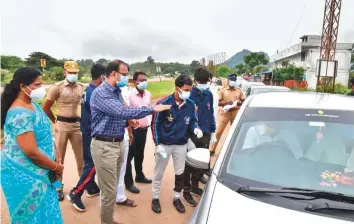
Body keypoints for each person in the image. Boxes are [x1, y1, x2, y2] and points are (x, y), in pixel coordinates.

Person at [89, 60, 171, 224]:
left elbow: (118, 114)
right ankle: (107, 221)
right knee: (109, 191)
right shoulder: (101, 93)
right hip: (105, 145)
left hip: (117, 141)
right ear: (113, 74)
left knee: (115, 183)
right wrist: (152, 108)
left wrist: (128, 122)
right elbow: (120, 110)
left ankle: (109, 219)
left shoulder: (116, 91)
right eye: (125, 74)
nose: (127, 78)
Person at [0, 67, 64, 223]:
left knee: (47, 212)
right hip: (24, 175)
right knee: (32, 216)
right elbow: (31, 152)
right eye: (37, 85)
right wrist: (56, 167)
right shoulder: (19, 113)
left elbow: (46, 135)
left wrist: (56, 156)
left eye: (41, 84)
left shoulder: (32, 105)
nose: (40, 89)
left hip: (42, 169)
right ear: (23, 86)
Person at [151, 74, 203, 214]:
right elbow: (155, 124)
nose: (188, 92)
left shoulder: (191, 105)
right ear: (177, 88)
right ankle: (155, 198)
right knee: (158, 172)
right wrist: (157, 143)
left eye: (190, 90)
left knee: (180, 173)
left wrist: (195, 129)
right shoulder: (164, 103)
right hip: (164, 145)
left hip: (181, 144)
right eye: (186, 89)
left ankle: (176, 197)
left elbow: (193, 121)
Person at [43, 61, 84, 201]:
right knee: (59, 158)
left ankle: (84, 184)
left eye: (75, 72)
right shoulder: (57, 87)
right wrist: (54, 121)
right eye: (70, 72)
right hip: (61, 124)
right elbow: (46, 107)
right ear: (65, 72)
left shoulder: (81, 87)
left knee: (81, 157)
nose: (73, 75)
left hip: (77, 125)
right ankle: (58, 187)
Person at [66, 64, 105, 212]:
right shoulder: (96, 93)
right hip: (92, 133)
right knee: (93, 163)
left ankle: (91, 187)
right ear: (102, 77)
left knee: (90, 162)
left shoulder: (88, 90)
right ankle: (76, 193)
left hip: (87, 131)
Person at [183, 68, 216, 207]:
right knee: (189, 164)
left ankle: (195, 186)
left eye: (207, 82)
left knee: (201, 163)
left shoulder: (209, 94)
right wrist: (188, 136)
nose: (205, 84)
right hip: (193, 134)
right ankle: (186, 191)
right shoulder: (189, 95)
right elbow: (186, 117)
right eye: (202, 82)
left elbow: (211, 112)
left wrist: (213, 131)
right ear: (196, 81)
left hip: (206, 133)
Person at [124, 71, 153, 194]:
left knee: (140, 154)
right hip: (133, 130)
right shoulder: (129, 95)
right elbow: (125, 113)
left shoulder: (148, 94)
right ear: (135, 82)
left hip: (143, 129)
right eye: (141, 80)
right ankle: (129, 183)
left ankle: (139, 175)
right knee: (129, 157)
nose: (144, 82)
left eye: (145, 80)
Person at [209, 74, 245, 155]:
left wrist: (239, 103)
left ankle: (237, 150)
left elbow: (243, 100)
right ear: (228, 81)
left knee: (237, 132)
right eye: (231, 80)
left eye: (234, 80)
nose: (233, 82)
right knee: (218, 132)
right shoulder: (222, 90)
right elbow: (218, 102)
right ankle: (212, 149)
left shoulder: (239, 90)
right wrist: (226, 103)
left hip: (235, 112)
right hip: (225, 113)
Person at [116, 76, 137, 207]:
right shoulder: (105, 92)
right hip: (109, 137)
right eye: (122, 73)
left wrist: (129, 131)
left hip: (123, 133)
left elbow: (126, 112)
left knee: (122, 167)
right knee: (110, 171)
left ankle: (120, 196)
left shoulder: (123, 90)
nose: (124, 77)